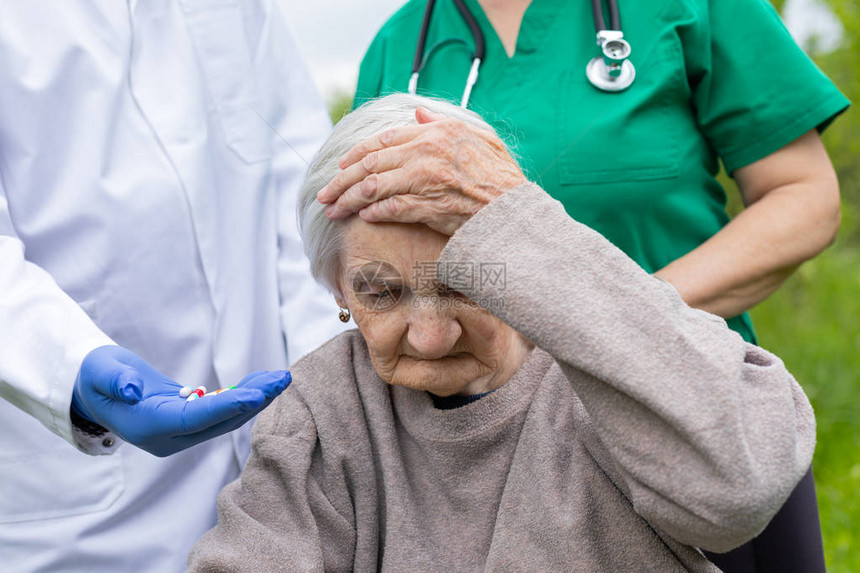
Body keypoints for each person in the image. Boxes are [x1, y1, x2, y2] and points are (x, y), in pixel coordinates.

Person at [187, 94, 816, 572]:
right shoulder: (323, 410)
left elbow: (744, 483)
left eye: (463, 279)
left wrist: (514, 216)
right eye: (381, 292)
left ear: (517, 251)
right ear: (339, 292)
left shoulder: (614, 369)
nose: (430, 338)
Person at [351, 1, 849, 570]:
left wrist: (600, 313)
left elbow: (805, 196)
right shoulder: (399, 44)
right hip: (486, 450)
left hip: (690, 421)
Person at [0, 1, 344, 571]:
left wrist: (333, 389)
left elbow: (305, 186)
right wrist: (72, 369)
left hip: (276, 494)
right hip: (78, 519)